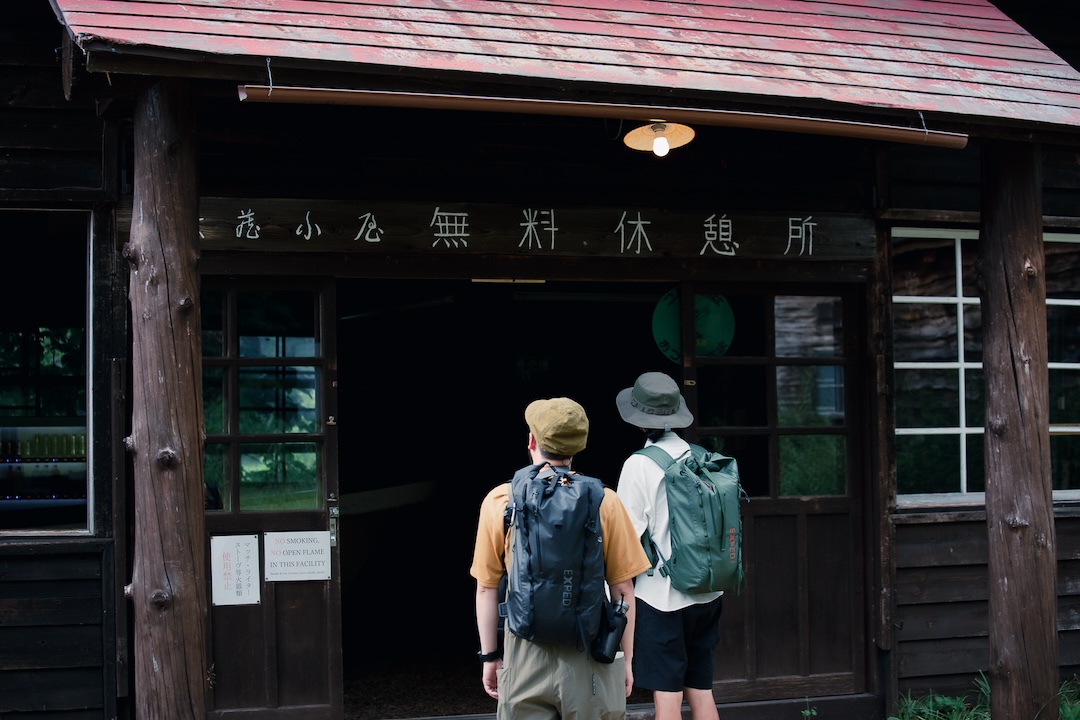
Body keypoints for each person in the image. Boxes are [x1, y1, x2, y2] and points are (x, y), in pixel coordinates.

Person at [471, 397, 652, 720]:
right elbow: (623, 589)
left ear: (531, 441)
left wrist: (489, 657)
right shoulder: (605, 501)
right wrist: (625, 659)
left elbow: (486, 588)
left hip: (524, 650)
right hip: (590, 651)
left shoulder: (501, 500)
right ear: (577, 447)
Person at [614, 372, 724, 720]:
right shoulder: (702, 456)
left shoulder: (639, 464)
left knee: (668, 699)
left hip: (662, 598)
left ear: (639, 421)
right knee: (702, 691)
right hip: (708, 592)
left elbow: (624, 541)